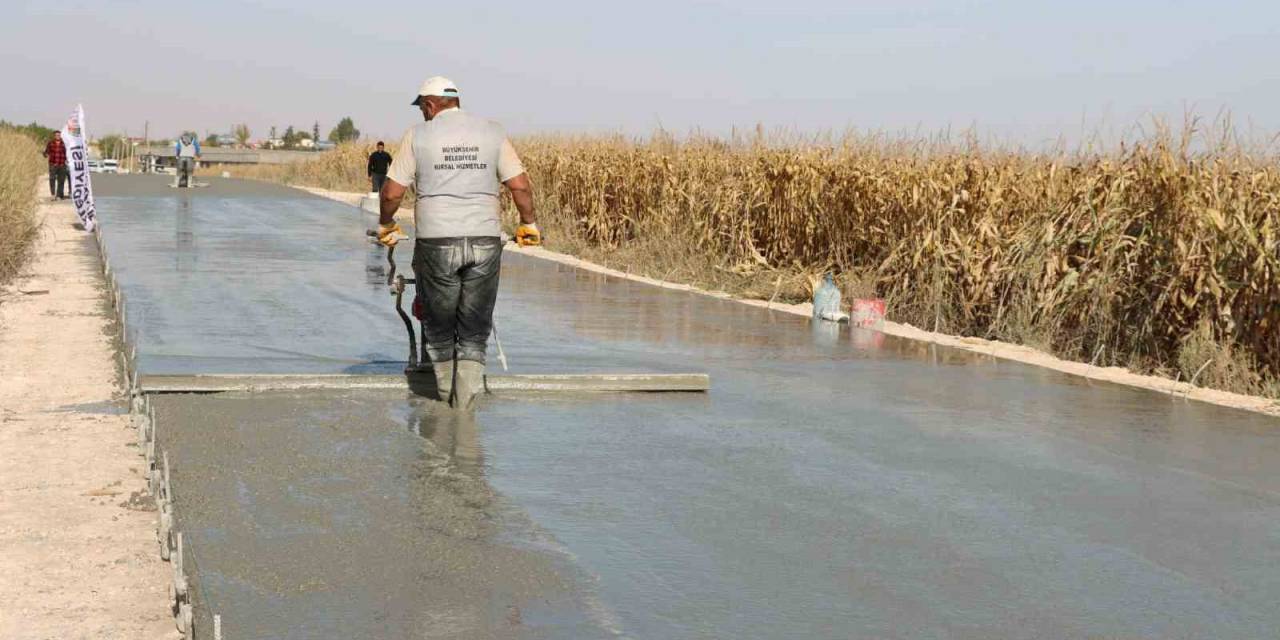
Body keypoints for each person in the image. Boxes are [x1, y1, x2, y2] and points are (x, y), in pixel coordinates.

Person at [377, 76, 541, 409]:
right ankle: (465, 407)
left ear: (429, 105)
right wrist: (528, 223)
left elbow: (392, 192)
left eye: (423, 108)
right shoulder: (492, 132)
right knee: (475, 323)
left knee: (439, 321)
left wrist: (386, 223)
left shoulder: (418, 135)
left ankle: (442, 401)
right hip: (484, 240)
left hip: (437, 240)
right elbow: (520, 186)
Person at [42, 131, 68, 199]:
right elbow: (46, 152)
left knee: (61, 180)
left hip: (62, 164)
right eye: (56, 135)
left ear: (60, 136)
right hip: (53, 164)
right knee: (52, 179)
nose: (57, 136)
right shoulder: (50, 143)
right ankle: (53, 194)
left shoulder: (64, 144)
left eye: (59, 135)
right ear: (54, 136)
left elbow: (68, 153)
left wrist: (68, 160)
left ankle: (59, 194)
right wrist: (44, 154)